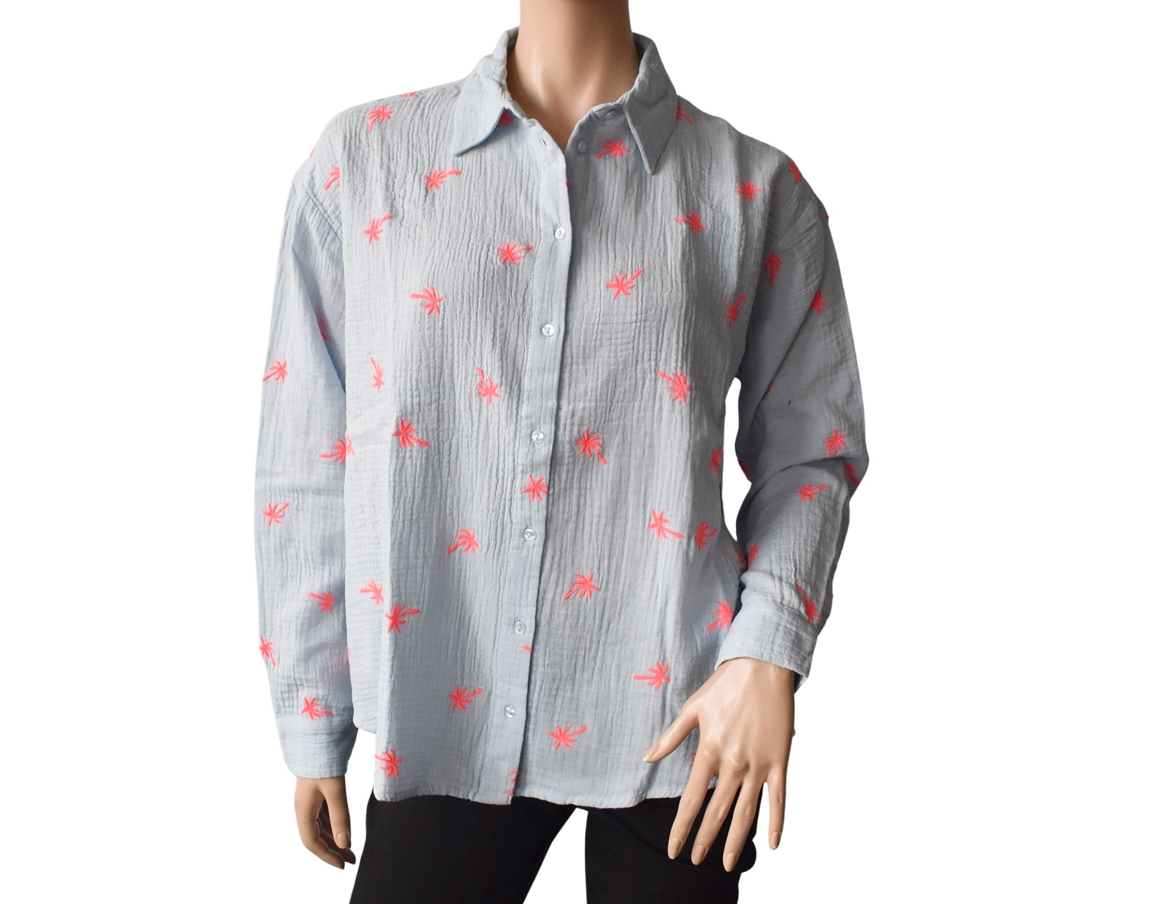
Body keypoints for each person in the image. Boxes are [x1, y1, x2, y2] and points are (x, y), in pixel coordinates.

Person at [253, 3, 868, 901]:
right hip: (446, 701)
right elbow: (308, 453)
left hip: (684, 716)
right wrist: (315, 713)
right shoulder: (366, 163)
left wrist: (766, 652)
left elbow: (813, 453)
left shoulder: (752, 190)